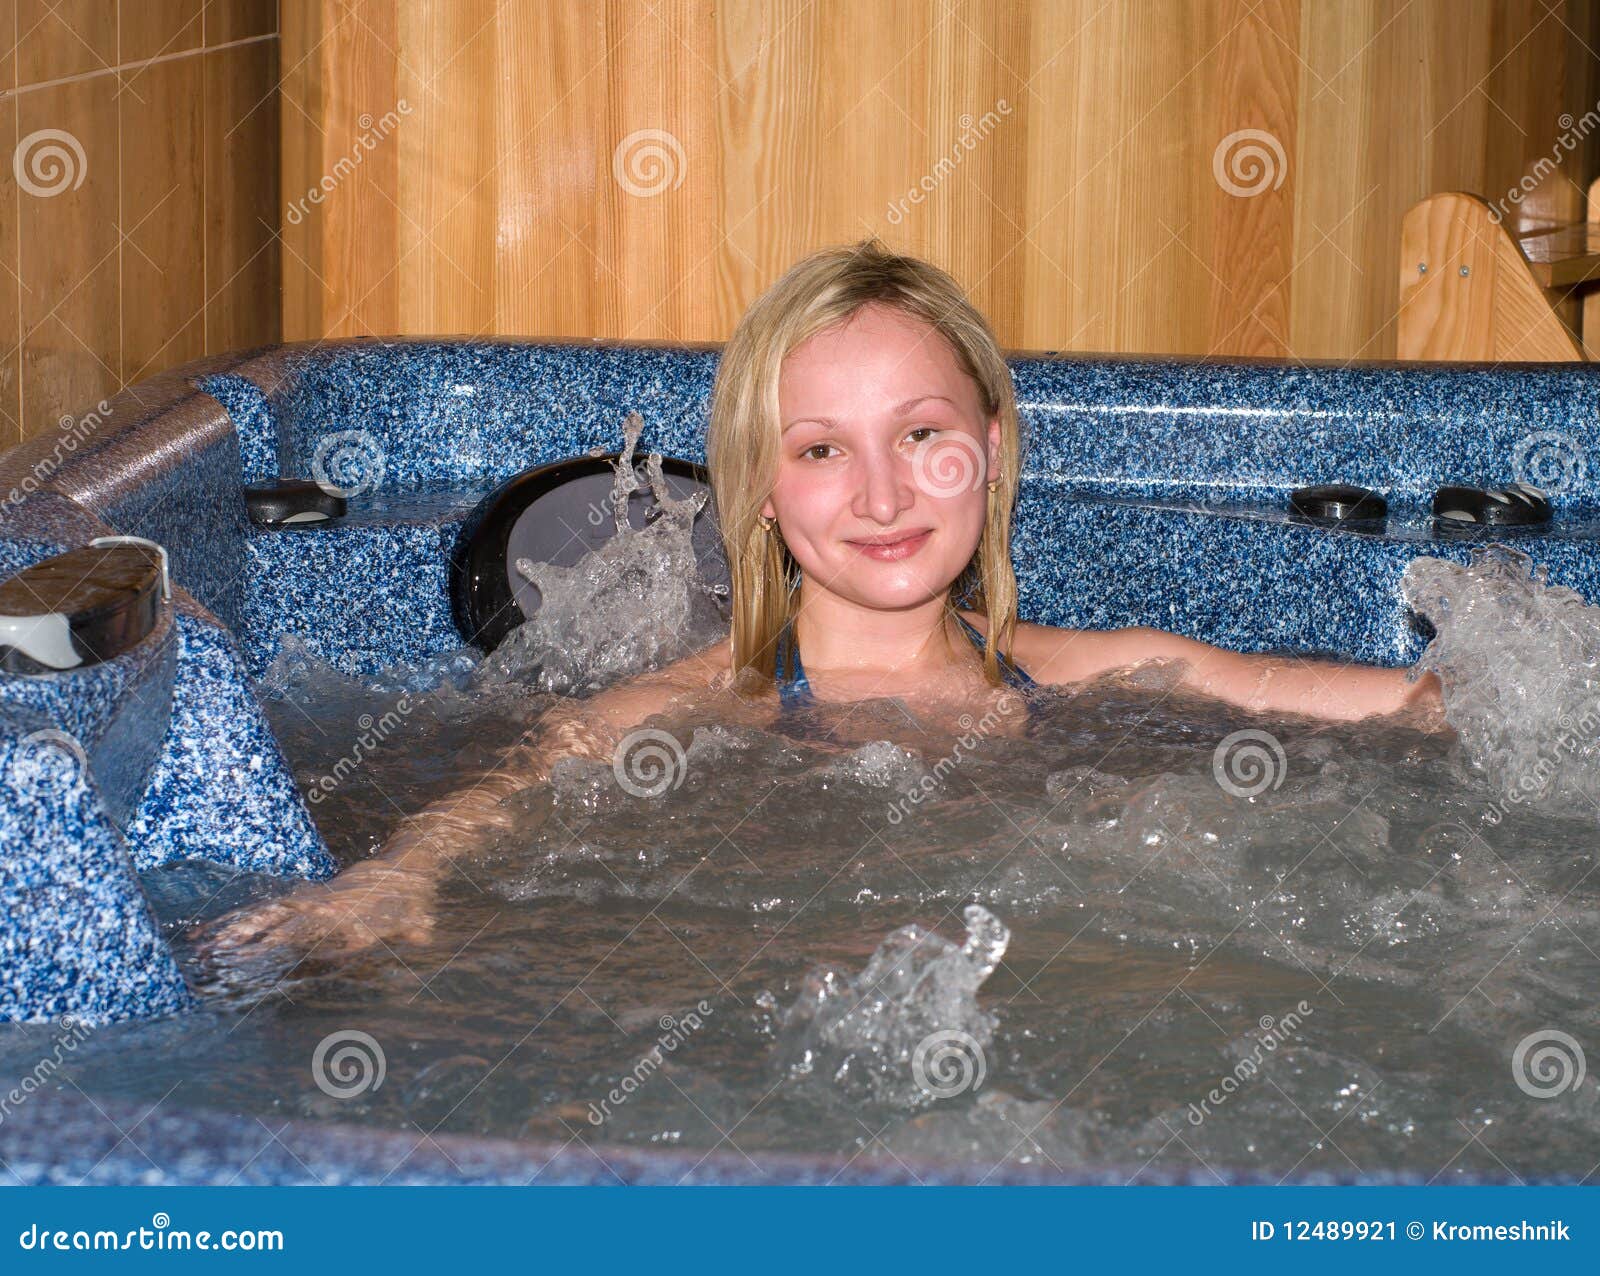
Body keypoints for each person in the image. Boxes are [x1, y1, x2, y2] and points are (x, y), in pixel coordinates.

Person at [202, 238, 1445, 961]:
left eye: (922, 434)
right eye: (818, 451)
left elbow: (1423, 703)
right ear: (755, 493)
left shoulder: (1114, 669)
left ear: (994, 453)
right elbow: (504, 795)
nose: (884, 491)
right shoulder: (689, 709)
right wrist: (389, 881)